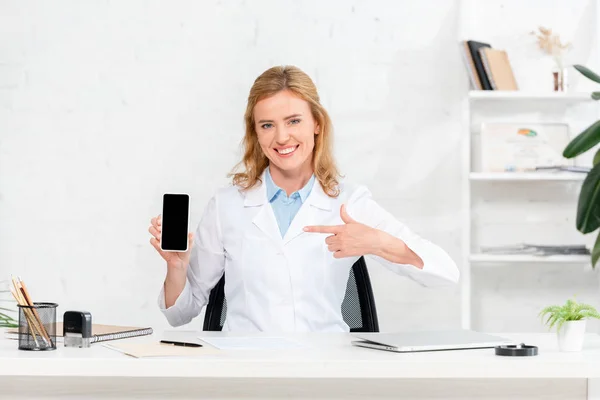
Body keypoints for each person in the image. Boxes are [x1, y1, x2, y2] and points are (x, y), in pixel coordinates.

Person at [149, 65, 459, 332]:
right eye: (267, 125)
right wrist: (176, 267)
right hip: (245, 371)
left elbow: (445, 274)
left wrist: (378, 242)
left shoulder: (350, 204)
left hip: (323, 371)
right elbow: (180, 314)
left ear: (317, 124)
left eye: (294, 121)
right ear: (256, 133)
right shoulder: (227, 206)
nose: (281, 137)